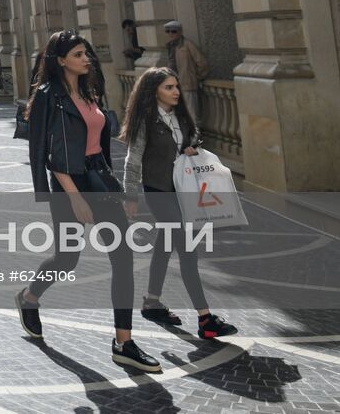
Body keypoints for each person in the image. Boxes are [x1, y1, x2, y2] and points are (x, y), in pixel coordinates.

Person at [15, 30, 159, 374]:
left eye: (86, 53)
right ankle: (29, 297)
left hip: (98, 177)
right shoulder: (50, 96)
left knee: (123, 257)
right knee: (68, 258)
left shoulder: (90, 90)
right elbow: (52, 154)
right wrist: (75, 199)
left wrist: (118, 189)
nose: (86, 59)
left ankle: (124, 343)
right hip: (69, 183)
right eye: (78, 54)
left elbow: (99, 146)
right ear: (61, 60)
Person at [121, 67, 238, 339]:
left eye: (176, 86)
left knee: (164, 244)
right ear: (154, 91)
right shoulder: (146, 121)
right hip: (158, 192)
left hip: (184, 190)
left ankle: (151, 302)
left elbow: (194, 137)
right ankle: (205, 319)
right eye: (169, 87)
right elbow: (133, 159)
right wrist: (131, 196)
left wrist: (191, 147)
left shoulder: (181, 117)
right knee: (188, 250)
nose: (176, 92)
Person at [164, 21, 209, 126]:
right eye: (168, 31)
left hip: (187, 85)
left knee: (192, 115)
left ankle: (195, 139)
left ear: (180, 32)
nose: (170, 34)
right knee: (178, 115)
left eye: (173, 31)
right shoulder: (170, 46)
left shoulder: (188, 44)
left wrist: (196, 76)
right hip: (173, 86)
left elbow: (203, 63)